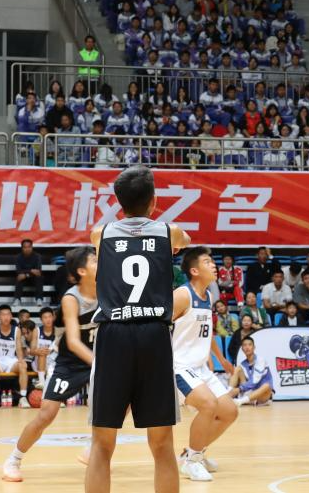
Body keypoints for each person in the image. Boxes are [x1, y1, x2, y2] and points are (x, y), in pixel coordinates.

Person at [86, 165, 191, 493]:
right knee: (162, 444)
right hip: (153, 334)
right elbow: (185, 241)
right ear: (154, 201)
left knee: (102, 445)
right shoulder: (169, 231)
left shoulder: (100, 234)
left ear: (119, 204)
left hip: (114, 334)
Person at [3, 247, 99, 482]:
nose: (102, 263)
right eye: (95, 261)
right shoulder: (71, 299)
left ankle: (94, 447)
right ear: (82, 271)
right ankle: (14, 459)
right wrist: (100, 364)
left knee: (126, 399)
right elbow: (74, 342)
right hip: (71, 363)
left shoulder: (109, 289)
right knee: (47, 414)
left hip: (99, 358)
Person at [171, 246, 238, 482]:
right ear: (194, 271)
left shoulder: (208, 296)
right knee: (208, 405)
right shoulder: (182, 295)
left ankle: (192, 453)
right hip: (179, 366)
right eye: (207, 262)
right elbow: (158, 327)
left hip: (200, 368)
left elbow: (206, 332)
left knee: (229, 412)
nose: (214, 265)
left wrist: (221, 359)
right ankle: (193, 461)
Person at [0, 304, 31, 408]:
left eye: (8, 314)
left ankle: (22, 397)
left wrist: (21, 360)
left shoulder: (16, 330)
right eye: (3, 314)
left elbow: (18, 348)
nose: (6, 317)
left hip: (10, 360)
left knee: (23, 366)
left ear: (11, 316)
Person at [228, 337, 273, 406]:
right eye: (244, 345)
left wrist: (239, 389)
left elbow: (255, 381)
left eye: (249, 344)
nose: (247, 347)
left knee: (267, 385)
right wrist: (233, 390)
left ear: (254, 347)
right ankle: (228, 395)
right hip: (249, 392)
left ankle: (240, 401)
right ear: (242, 349)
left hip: (261, 396)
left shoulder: (261, 360)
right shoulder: (243, 364)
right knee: (237, 369)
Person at [15, 238, 44, 305]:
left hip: (33, 277)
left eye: (29, 247)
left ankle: (39, 299)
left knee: (39, 277)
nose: (27, 249)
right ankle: (17, 299)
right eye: (25, 247)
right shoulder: (18, 257)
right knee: (19, 277)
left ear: (32, 247)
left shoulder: (37, 256)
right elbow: (18, 271)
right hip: (23, 278)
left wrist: (26, 274)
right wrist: (31, 270)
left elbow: (38, 271)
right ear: (22, 248)